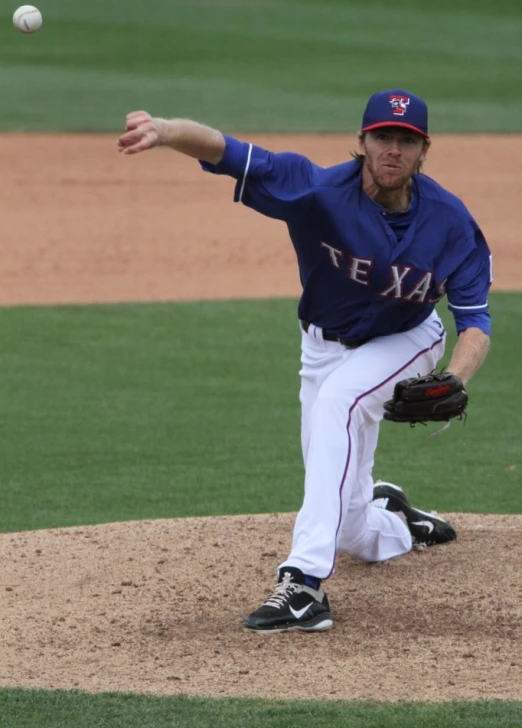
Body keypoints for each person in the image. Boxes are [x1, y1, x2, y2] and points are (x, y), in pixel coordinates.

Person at [117, 89, 492, 634]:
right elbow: (230, 152)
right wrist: (166, 130)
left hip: (406, 340)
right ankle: (396, 521)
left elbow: (475, 320)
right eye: (383, 137)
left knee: (342, 401)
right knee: (348, 526)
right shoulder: (317, 190)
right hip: (321, 348)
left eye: (406, 142)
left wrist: (456, 376)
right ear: (362, 142)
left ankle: (303, 585)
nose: (393, 150)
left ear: (423, 151)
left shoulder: (451, 222)